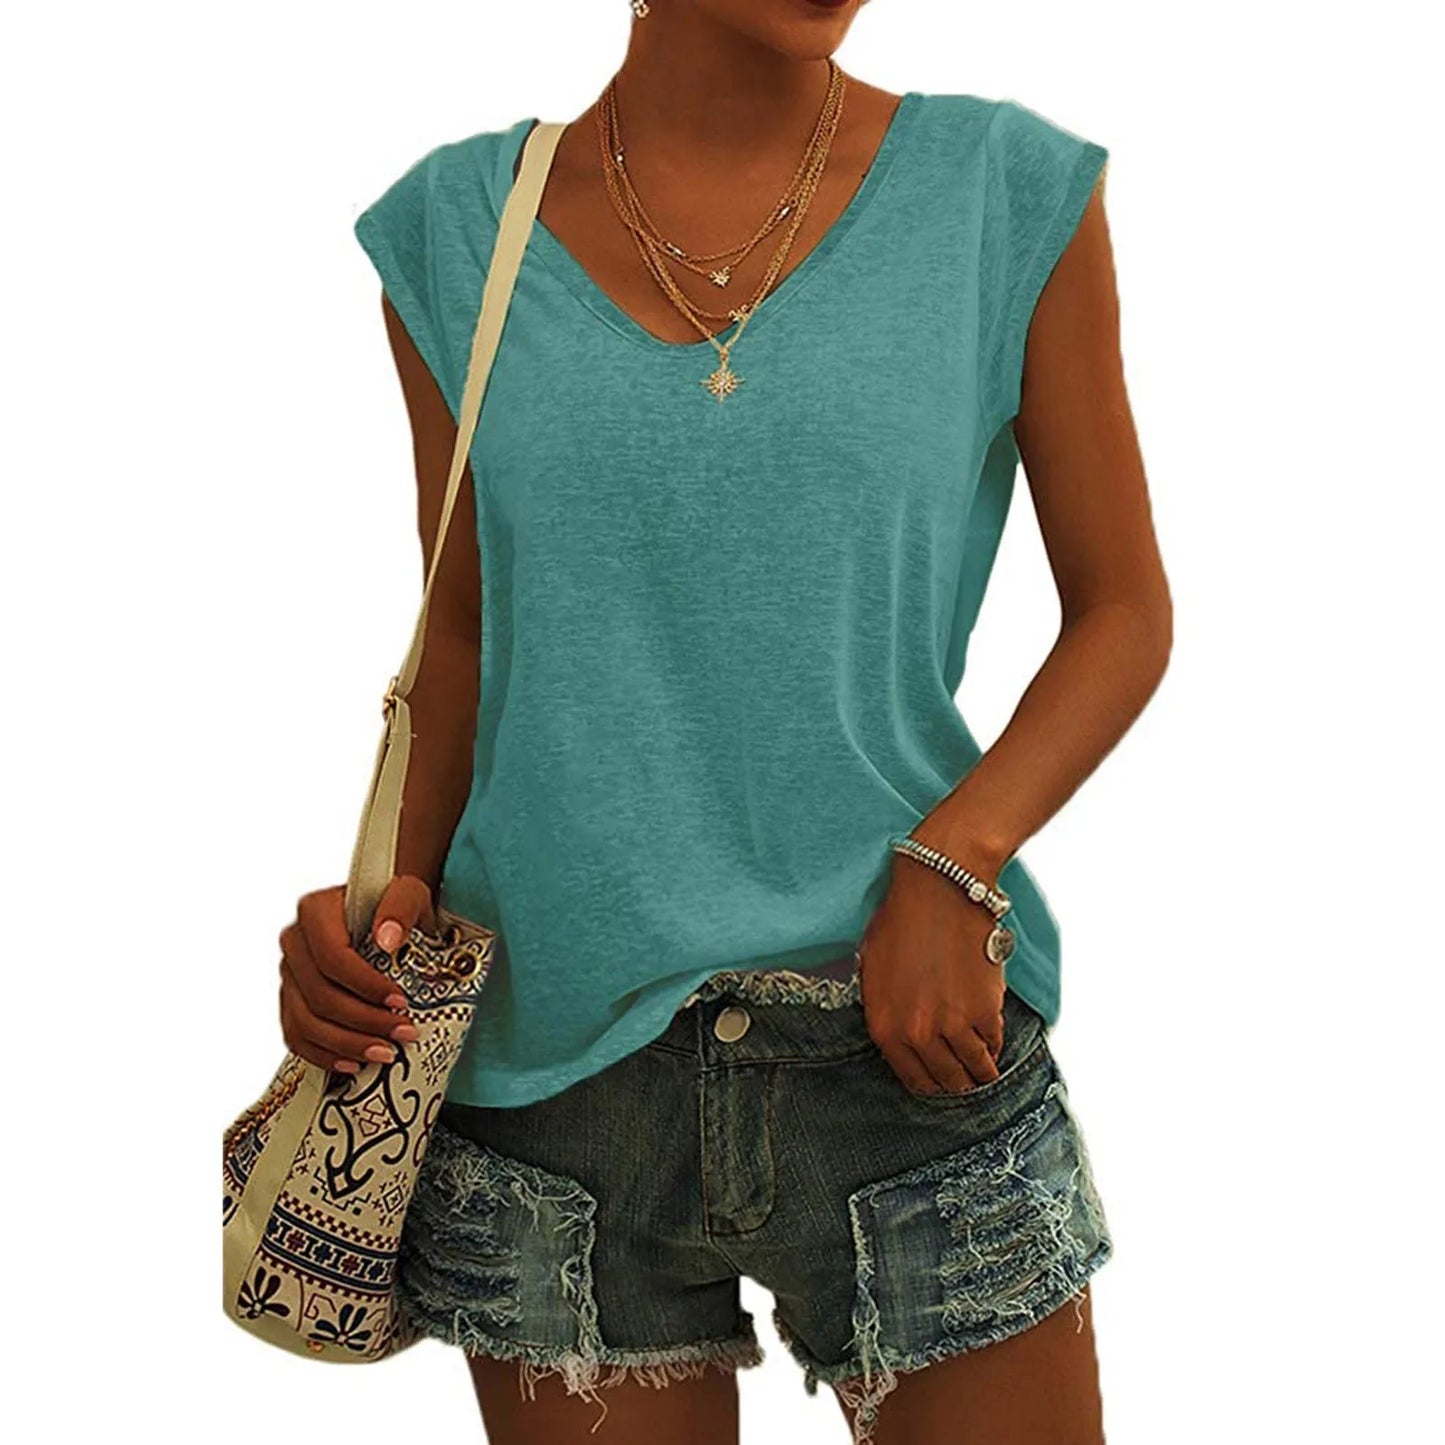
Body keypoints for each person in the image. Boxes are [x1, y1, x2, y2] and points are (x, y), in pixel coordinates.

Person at [276, 2, 1170, 1441]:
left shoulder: (1003, 193)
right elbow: (465, 630)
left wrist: (957, 856)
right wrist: (378, 914)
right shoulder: (457, 230)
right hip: (554, 1077)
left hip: (907, 1044)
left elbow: (1122, 610)